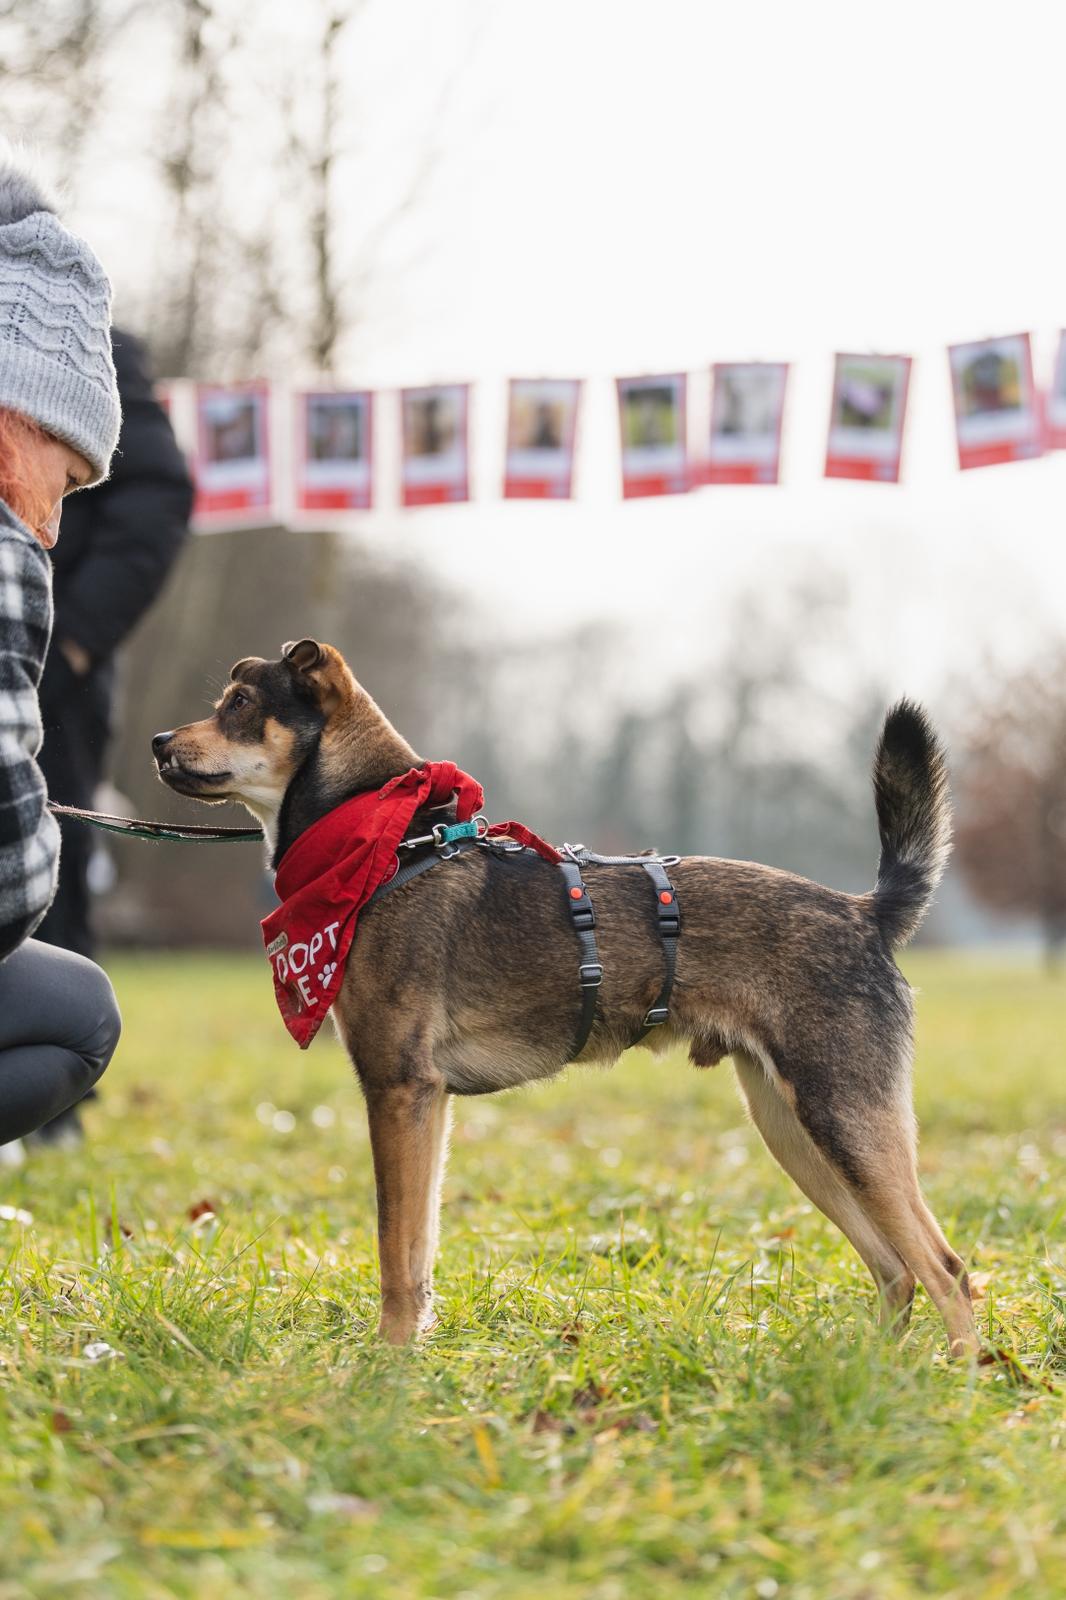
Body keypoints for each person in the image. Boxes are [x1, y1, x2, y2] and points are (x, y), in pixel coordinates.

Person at [0, 153, 123, 1150]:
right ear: (15, 418)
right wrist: (40, 826)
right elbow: (3, 887)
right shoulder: (5, 545)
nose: (53, 523)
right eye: (67, 476)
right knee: (76, 1011)